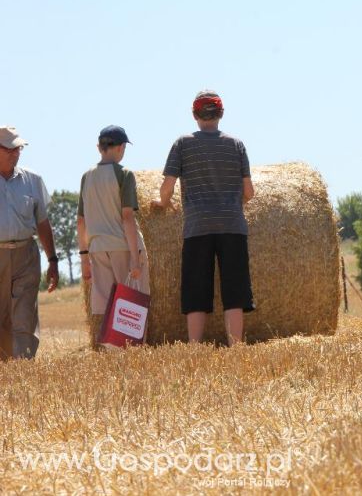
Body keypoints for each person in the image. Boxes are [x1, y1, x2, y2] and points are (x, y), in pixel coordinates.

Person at [152, 91, 255, 345]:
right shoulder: (236, 145)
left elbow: (168, 185)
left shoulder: (183, 144)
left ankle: (195, 348)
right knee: (234, 290)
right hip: (232, 225)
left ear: (194, 114)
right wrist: (229, 204)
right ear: (221, 114)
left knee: (196, 288)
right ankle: (236, 346)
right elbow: (249, 192)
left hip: (197, 226)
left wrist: (161, 203)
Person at [77, 125, 150, 345]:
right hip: (122, 246)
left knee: (107, 305)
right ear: (120, 148)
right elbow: (127, 217)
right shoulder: (124, 174)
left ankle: (110, 351)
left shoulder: (86, 177)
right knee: (132, 304)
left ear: (99, 147)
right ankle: (132, 350)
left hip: (97, 248)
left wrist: (84, 258)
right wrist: (135, 259)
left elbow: (81, 222)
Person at [0, 126, 59, 360]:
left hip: (26, 254)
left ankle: (23, 366)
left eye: (19, 149)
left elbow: (43, 223)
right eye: (11, 149)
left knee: (24, 315)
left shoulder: (33, 180)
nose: (16, 153)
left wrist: (53, 260)